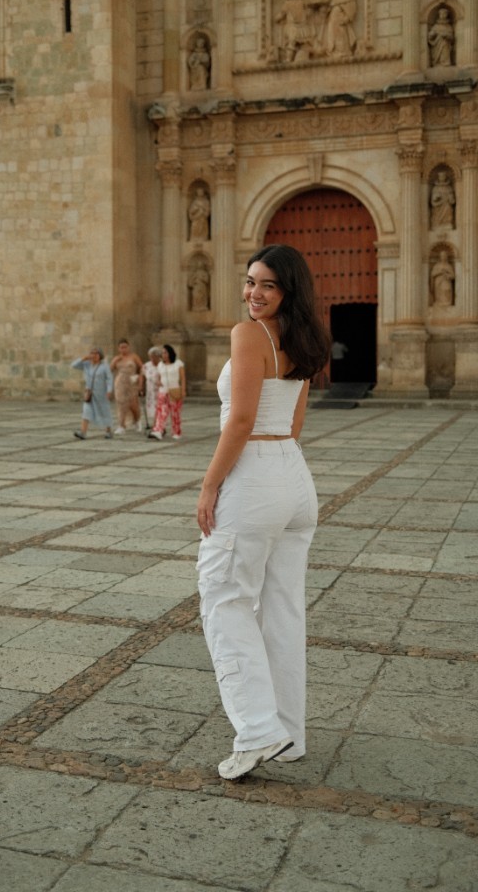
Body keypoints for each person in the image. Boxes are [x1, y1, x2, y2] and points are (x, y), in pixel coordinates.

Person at [196, 243, 330, 781]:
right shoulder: (305, 340)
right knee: (282, 608)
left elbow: (241, 420)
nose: (254, 293)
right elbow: (292, 425)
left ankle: (257, 731)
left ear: (287, 291)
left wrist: (210, 485)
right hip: (294, 476)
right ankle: (288, 733)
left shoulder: (249, 334)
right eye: (251, 281)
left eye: (267, 285)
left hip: (254, 477)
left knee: (224, 599)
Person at [70, 348, 113, 439]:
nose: (94, 356)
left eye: (96, 354)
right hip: (89, 393)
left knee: (104, 412)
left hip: (101, 393)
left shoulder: (104, 366)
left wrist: (109, 390)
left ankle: (108, 431)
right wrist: (83, 358)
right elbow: (73, 365)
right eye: (92, 353)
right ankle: (83, 432)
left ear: (100, 356)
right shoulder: (86, 364)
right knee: (86, 411)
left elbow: (109, 379)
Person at [148, 344, 186, 441]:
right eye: (162, 353)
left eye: (165, 352)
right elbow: (159, 377)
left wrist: (183, 390)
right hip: (163, 392)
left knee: (175, 413)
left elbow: (182, 378)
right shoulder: (161, 365)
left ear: (170, 353)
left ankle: (176, 432)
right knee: (162, 412)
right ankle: (158, 430)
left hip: (174, 391)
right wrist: (158, 382)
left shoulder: (178, 363)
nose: (163, 355)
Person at [110, 339, 144, 434]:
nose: (123, 349)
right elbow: (110, 369)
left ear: (128, 347)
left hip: (132, 381)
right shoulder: (117, 358)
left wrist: (140, 380)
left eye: (125, 347)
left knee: (133, 404)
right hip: (120, 382)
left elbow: (142, 367)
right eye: (121, 347)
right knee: (121, 404)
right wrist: (114, 361)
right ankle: (121, 425)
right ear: (119, 348)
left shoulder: (134, 356)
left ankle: (137, 420)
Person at [141, 345, 163, 429]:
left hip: (160, 390)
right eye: (150, 357)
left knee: (159, 408)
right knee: (152, 409)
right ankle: (156, 425)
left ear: (158, 356)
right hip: (150, 391)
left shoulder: (163, 365)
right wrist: (141, 387)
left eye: (154, 357)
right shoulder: (146, 365)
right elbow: (142, 376)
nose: (152, 359)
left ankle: (157, 426)